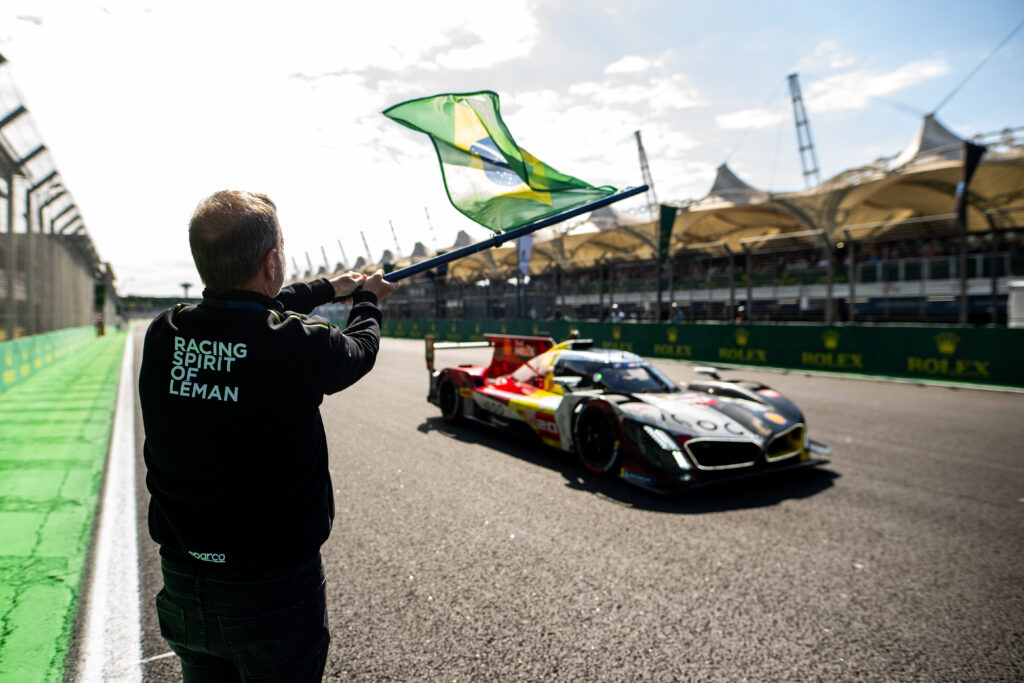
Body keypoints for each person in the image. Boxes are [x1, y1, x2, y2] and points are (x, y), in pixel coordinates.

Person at [138, 190, 399, 681]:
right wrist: (367, 299)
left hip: (181, 580)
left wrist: (328, 288)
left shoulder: (164, 333)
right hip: (271, 592)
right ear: (273, 260)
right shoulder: (298, 345)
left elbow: (246, 305)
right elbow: (360, 349)